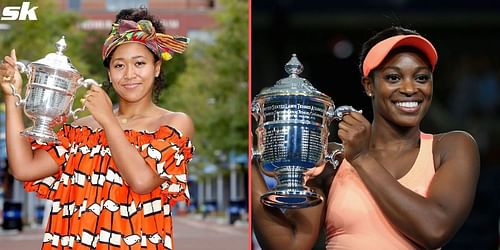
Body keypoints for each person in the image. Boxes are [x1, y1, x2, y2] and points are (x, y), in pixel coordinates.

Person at [252, 26, 480, 249]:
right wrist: (249, 164)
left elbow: (434, 229)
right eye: (393, 77)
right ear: (369, 85)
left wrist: (362, 157)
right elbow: (290, 245)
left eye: (421, 78)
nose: (410, 88)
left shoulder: (452, 147)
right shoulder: (333, 159)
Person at [0, 7, 194, 249]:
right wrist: (12, 96)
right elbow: (24, 168)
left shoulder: (173, 123)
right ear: (109, 73)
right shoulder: (82, 129)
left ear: (156, 68)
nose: (129, 74)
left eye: (140, 63)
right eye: (119, 66)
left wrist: (107, 120)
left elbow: (142, 181)